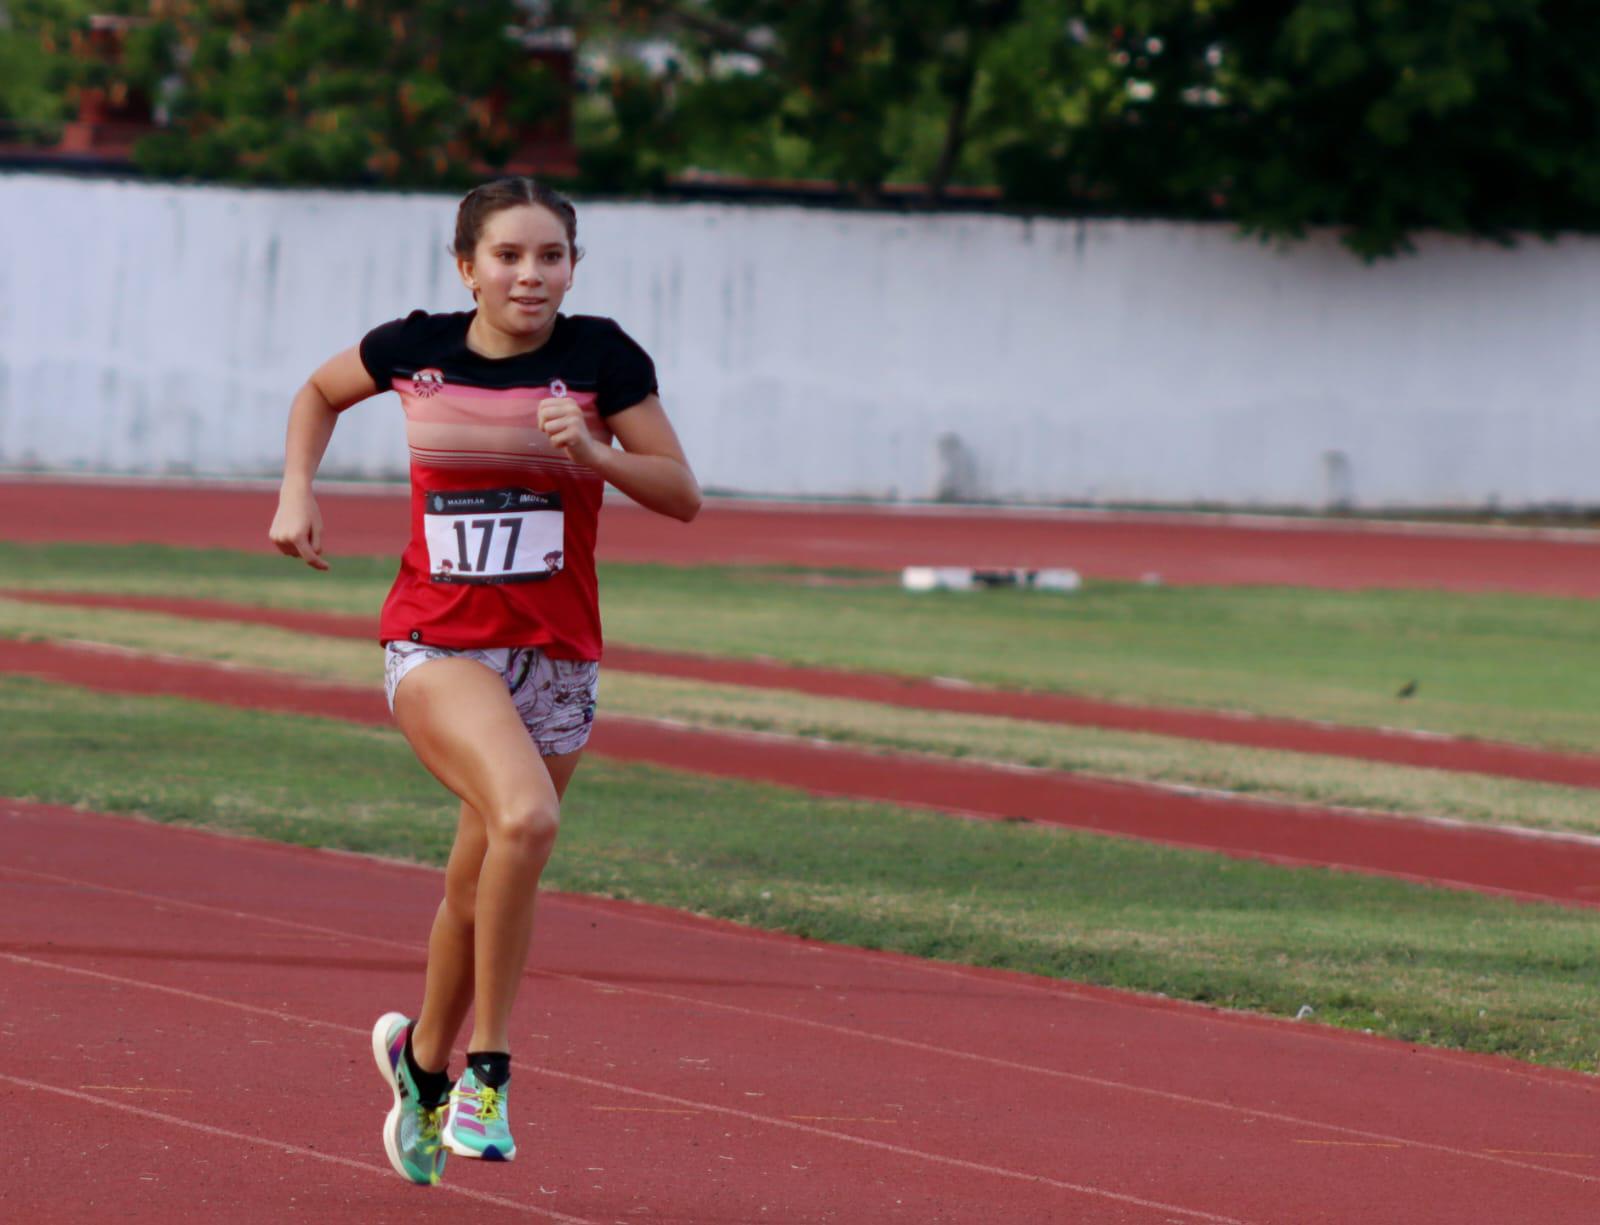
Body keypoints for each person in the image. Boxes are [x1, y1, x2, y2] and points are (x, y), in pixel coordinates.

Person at [268, 177, 701, 1186]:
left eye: (550, 256)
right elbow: (319, 392)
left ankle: (418, 1062)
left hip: (555, 660)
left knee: (479, 880)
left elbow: (681, 494)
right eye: (508, 256)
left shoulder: (602, 358)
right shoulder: (414, 348)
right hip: (439, 644)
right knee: (529, 820)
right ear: (466, 266)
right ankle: (488, 1071)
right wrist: (298, 490)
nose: (530, 275)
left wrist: (593, 452)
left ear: (572, 268)